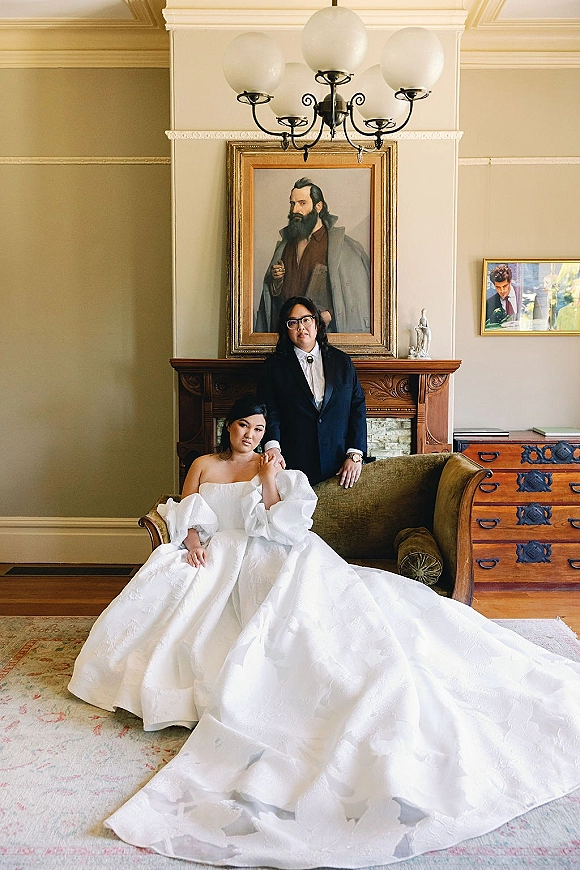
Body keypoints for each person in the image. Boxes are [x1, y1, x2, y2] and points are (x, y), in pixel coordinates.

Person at [67, 394, 580, 868]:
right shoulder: (204, 465)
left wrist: (267, 475)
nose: (249, 434)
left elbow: (277, 522)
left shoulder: (277, 471)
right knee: (180, 593)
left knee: (321, 626)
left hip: (270, 553)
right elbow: (190, 513)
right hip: (220, 554)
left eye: (259, 428)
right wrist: (196, 540)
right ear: (230, 428)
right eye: (243, 425)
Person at [257, 295, 367, 488]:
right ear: (286, 329)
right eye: (293, 322)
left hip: (340, 466)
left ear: (316, 323)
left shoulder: (342, 362)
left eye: (306, 319)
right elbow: (269, 412)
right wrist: (273, 448)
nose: (301, 327)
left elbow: (356, 407)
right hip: (292, 464)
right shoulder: (273, 367)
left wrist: (355, 454)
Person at [254, 177, 371, 334]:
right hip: (289, 335)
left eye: (302, 203)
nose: (295, 210)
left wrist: (330, 315)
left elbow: (357, 297)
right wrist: (277, 280)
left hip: (324, 335)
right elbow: (274, 299)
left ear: (318, 206)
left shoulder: (343, 247)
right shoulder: (286, 246)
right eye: (292, 203)